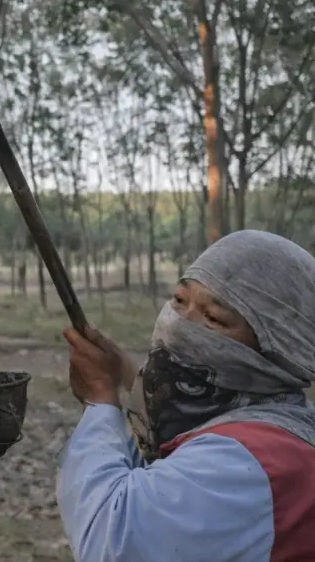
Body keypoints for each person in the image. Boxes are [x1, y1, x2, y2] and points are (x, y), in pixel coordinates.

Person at [58, 229, 315, 562]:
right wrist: (123, 371)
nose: (181, 324)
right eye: (179, 300)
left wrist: (100, 401)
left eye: (213, 318)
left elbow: (111, 542)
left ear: (278, 350)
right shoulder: (275, 420)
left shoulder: (248, 463)